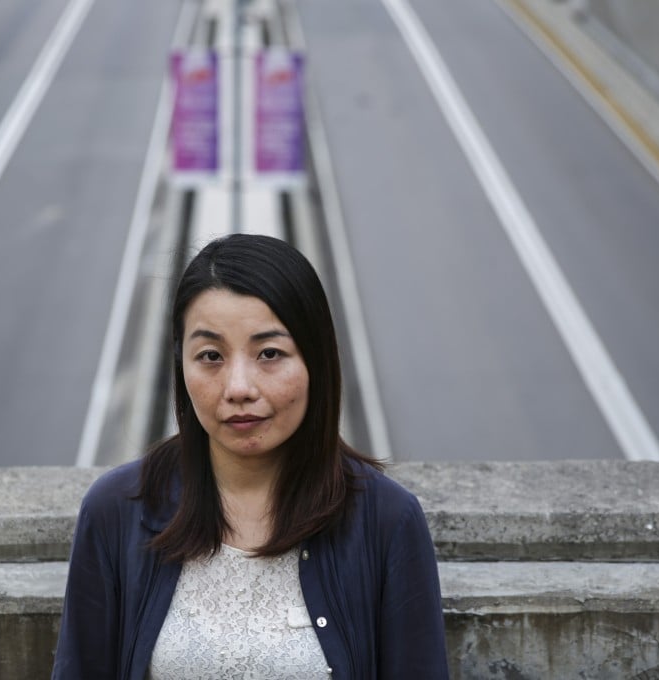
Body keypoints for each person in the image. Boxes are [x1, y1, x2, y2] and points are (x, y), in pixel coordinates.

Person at [52, 234, 448, 679]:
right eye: (211, 356)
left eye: (269, 354)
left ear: (315, 360)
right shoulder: (118, 509)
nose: (239, 387)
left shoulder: (386, 520)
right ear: (180, 366)